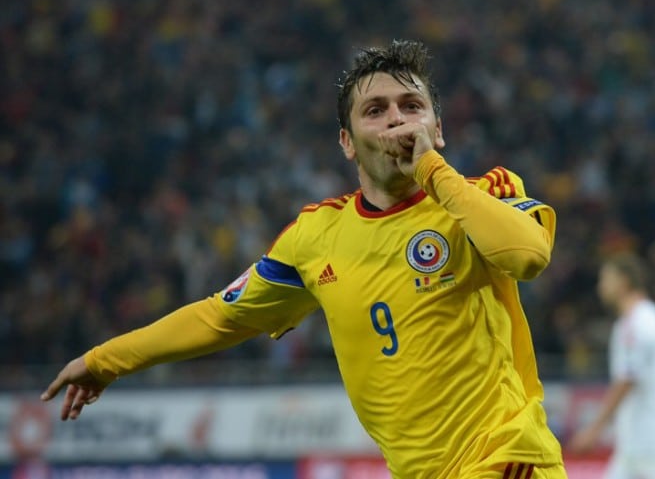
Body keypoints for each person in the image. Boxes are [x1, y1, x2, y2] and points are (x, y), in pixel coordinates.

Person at [41, 40, 566, 478]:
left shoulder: (478, 195)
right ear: (347, 142)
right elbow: (220, 316)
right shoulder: (315, 235)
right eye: (375, 110)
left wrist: (432, 168)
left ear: (438, 127)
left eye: (411, 106)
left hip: (506, 460)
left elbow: (526, 256)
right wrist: (105, 361)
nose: (396, 122)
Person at [569, 252, 655, 478]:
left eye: (606, 279)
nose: (601, 286)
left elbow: (627, 380)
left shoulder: (636, 324)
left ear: (623, 281)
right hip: (642, 442)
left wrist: (594, 430)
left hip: (646, 442)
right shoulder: (654, 318)